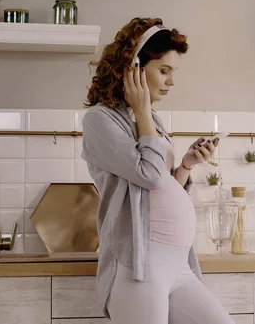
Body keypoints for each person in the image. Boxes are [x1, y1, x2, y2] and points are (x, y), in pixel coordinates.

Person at [80, 17, 234, 324]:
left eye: (173, 72)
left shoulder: (151, 121)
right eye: (164, 71)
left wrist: (186, 165)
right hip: (140, 266)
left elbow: (158, 184)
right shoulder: (100, 120)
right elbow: (148, 175)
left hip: (177, 266)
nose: (171, 82)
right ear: (134, 68)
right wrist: (141, 110)